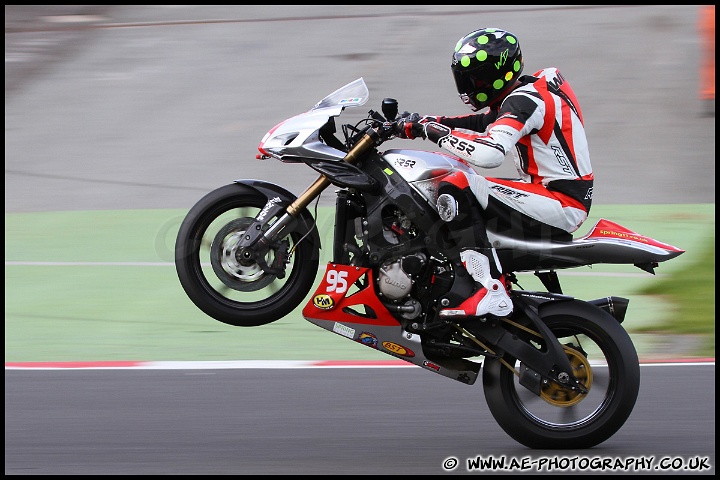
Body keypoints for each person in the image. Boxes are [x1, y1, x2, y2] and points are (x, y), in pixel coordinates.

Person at [397, 27, 593, 319]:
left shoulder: (525, 101)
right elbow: (486, 120)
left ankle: (490, 290)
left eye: (474, 79)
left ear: (494, 75)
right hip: (553, 192)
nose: (467, 87)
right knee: (462, 183)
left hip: (560, 201)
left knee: (454, 184)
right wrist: (423, 123)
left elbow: (490, 153)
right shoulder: (532, 88)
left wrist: (432, 131)